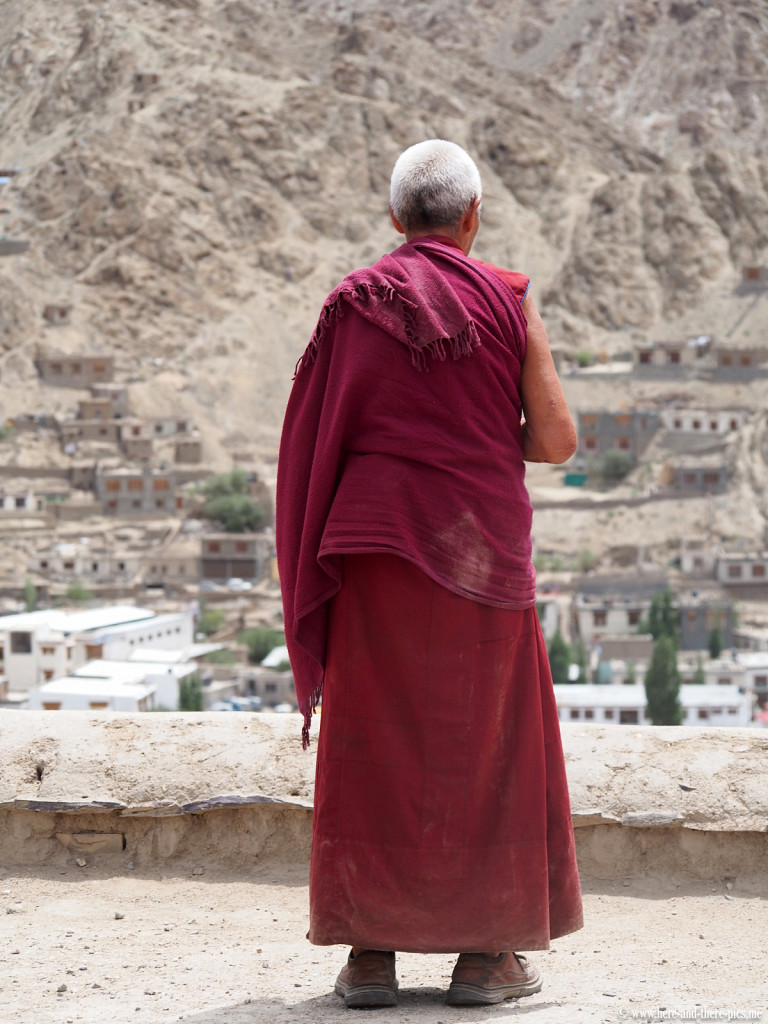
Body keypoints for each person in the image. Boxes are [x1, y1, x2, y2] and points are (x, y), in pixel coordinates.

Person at [276, 139, 583, 1009]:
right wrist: (484, 443)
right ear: (473, 218)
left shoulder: (352, 305)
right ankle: (486, 959)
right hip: (479, 552)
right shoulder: (507, 300)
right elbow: (558, 441)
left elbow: (317, 441)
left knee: (372, 742)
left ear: (394, 221)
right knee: (489, 747)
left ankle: (368, 956)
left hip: (374, 554)